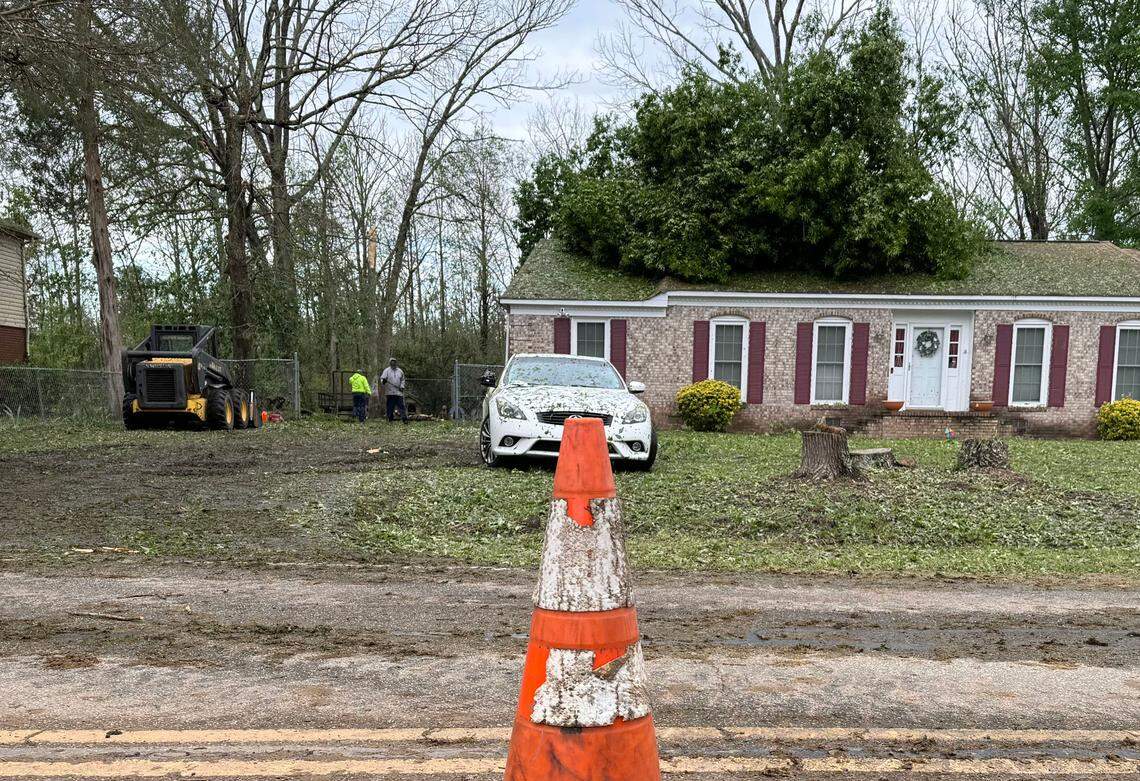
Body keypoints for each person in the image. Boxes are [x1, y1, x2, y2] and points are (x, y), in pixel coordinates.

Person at [379, 357, 408, 423]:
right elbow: (382, 379)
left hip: (398, 392)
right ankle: (390, 419)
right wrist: (383, 381)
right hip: (390, 392)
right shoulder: (386, 370)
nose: (393, 363)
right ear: (390, 363)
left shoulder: (400, 371)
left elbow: (403, 380)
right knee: (390, 407)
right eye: (392, 362)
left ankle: (404, 419)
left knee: (401, 406)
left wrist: (402, 386)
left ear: (396, 363)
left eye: (394, 362)